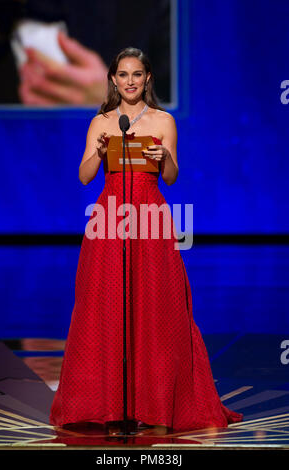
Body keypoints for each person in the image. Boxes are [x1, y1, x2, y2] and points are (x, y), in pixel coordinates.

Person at [49, 47, 243, 436]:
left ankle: (155, 402)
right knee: (104, 307)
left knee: (156, 306)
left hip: (152, 220)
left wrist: (163, 156)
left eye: (137, 74)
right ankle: (106, 402)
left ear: (148, 78)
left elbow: (172, 176)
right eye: (123, 75)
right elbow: (85, 175)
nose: (130, 81)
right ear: (113, 79)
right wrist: (100, 151)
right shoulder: (101, 121)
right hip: (110, 222)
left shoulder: (164, 120)